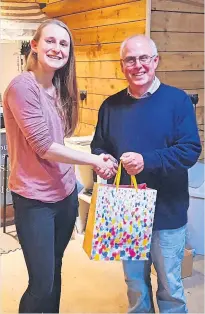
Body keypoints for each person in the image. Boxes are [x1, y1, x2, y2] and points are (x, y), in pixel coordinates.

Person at [3, 19, 117, 314]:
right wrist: (94, 161)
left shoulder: (59, 88)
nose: (57, 48)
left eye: (63, 44)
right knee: (41, 284)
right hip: (34, 199)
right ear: (36, 45)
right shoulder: (22, 87)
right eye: (50, 41)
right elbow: (44, 146)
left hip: (65, 195)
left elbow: (60, 140)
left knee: (54, 269)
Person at [91, 35, 201, 313]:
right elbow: (99, 147)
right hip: (126, 210)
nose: (137, 65)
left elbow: (189, 150)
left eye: (144, 59)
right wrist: (102, 161)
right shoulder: (109, 106)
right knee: (135, 285)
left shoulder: (178, 101)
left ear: (155, 61)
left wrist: (147, 161)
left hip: (167, 210)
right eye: (130, 59)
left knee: (170, 287)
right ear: (122, 65)